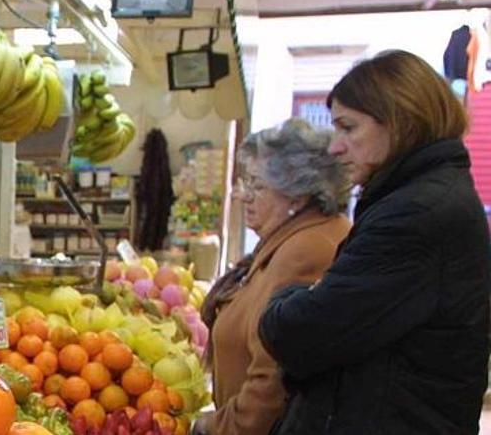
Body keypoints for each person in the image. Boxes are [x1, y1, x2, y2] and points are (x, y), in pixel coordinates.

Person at [259, 50, 491, 434]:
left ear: (401, 122)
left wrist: (283, 300)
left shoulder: (416, 215)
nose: (334, 147)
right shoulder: (420, 198)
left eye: (348, 128)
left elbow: (300, 334)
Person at [191, 118, 351, 435]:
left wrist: (223, 426)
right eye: (244, 183)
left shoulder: (307, 250)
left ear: (297, 195)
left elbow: (274, 372)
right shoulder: (286, 240)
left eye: (257, 186)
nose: (243, 196)